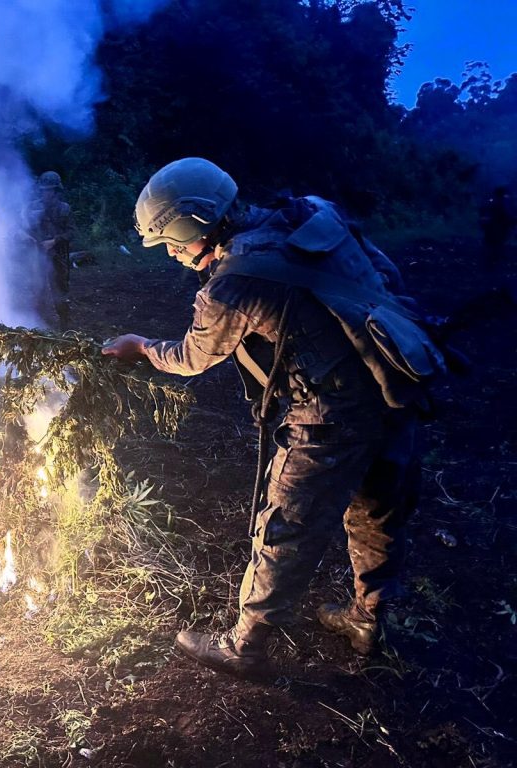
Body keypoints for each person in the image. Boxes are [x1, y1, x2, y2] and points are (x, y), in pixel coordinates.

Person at [103, 157, 436, 678]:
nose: (171, 253)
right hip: (394, 385)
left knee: (286, 528)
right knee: (378, 513)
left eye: (172, 241)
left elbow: (192, 358)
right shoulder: (312, 214)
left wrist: (141, 347)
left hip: (328, 416)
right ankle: (367, 618)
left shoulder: (231, 284)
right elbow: (385, 277)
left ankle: (245, 647)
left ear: (196, 224)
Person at [23, 170, 75, 327]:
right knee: (37, 290)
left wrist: (54, 241)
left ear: (56, 190)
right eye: (44, 190)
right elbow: (22, 227)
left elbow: (72, 232)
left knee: (59, 291)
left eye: (50, 190)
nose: (46, 193)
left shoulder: (64, 208)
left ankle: (65, 327)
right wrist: (24, 235)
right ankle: (38, 326)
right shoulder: (32, 207)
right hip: (37, 255)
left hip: (58, 256)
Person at [478, 185, 514, 269]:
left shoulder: (492, 203)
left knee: (491, 245)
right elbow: (503, 216)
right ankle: (491, 264)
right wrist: (511, 221)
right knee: (495, 246)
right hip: (496, 228)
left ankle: (490, 264)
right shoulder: (499, 204)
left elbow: (484, 214)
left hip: (491, 228)